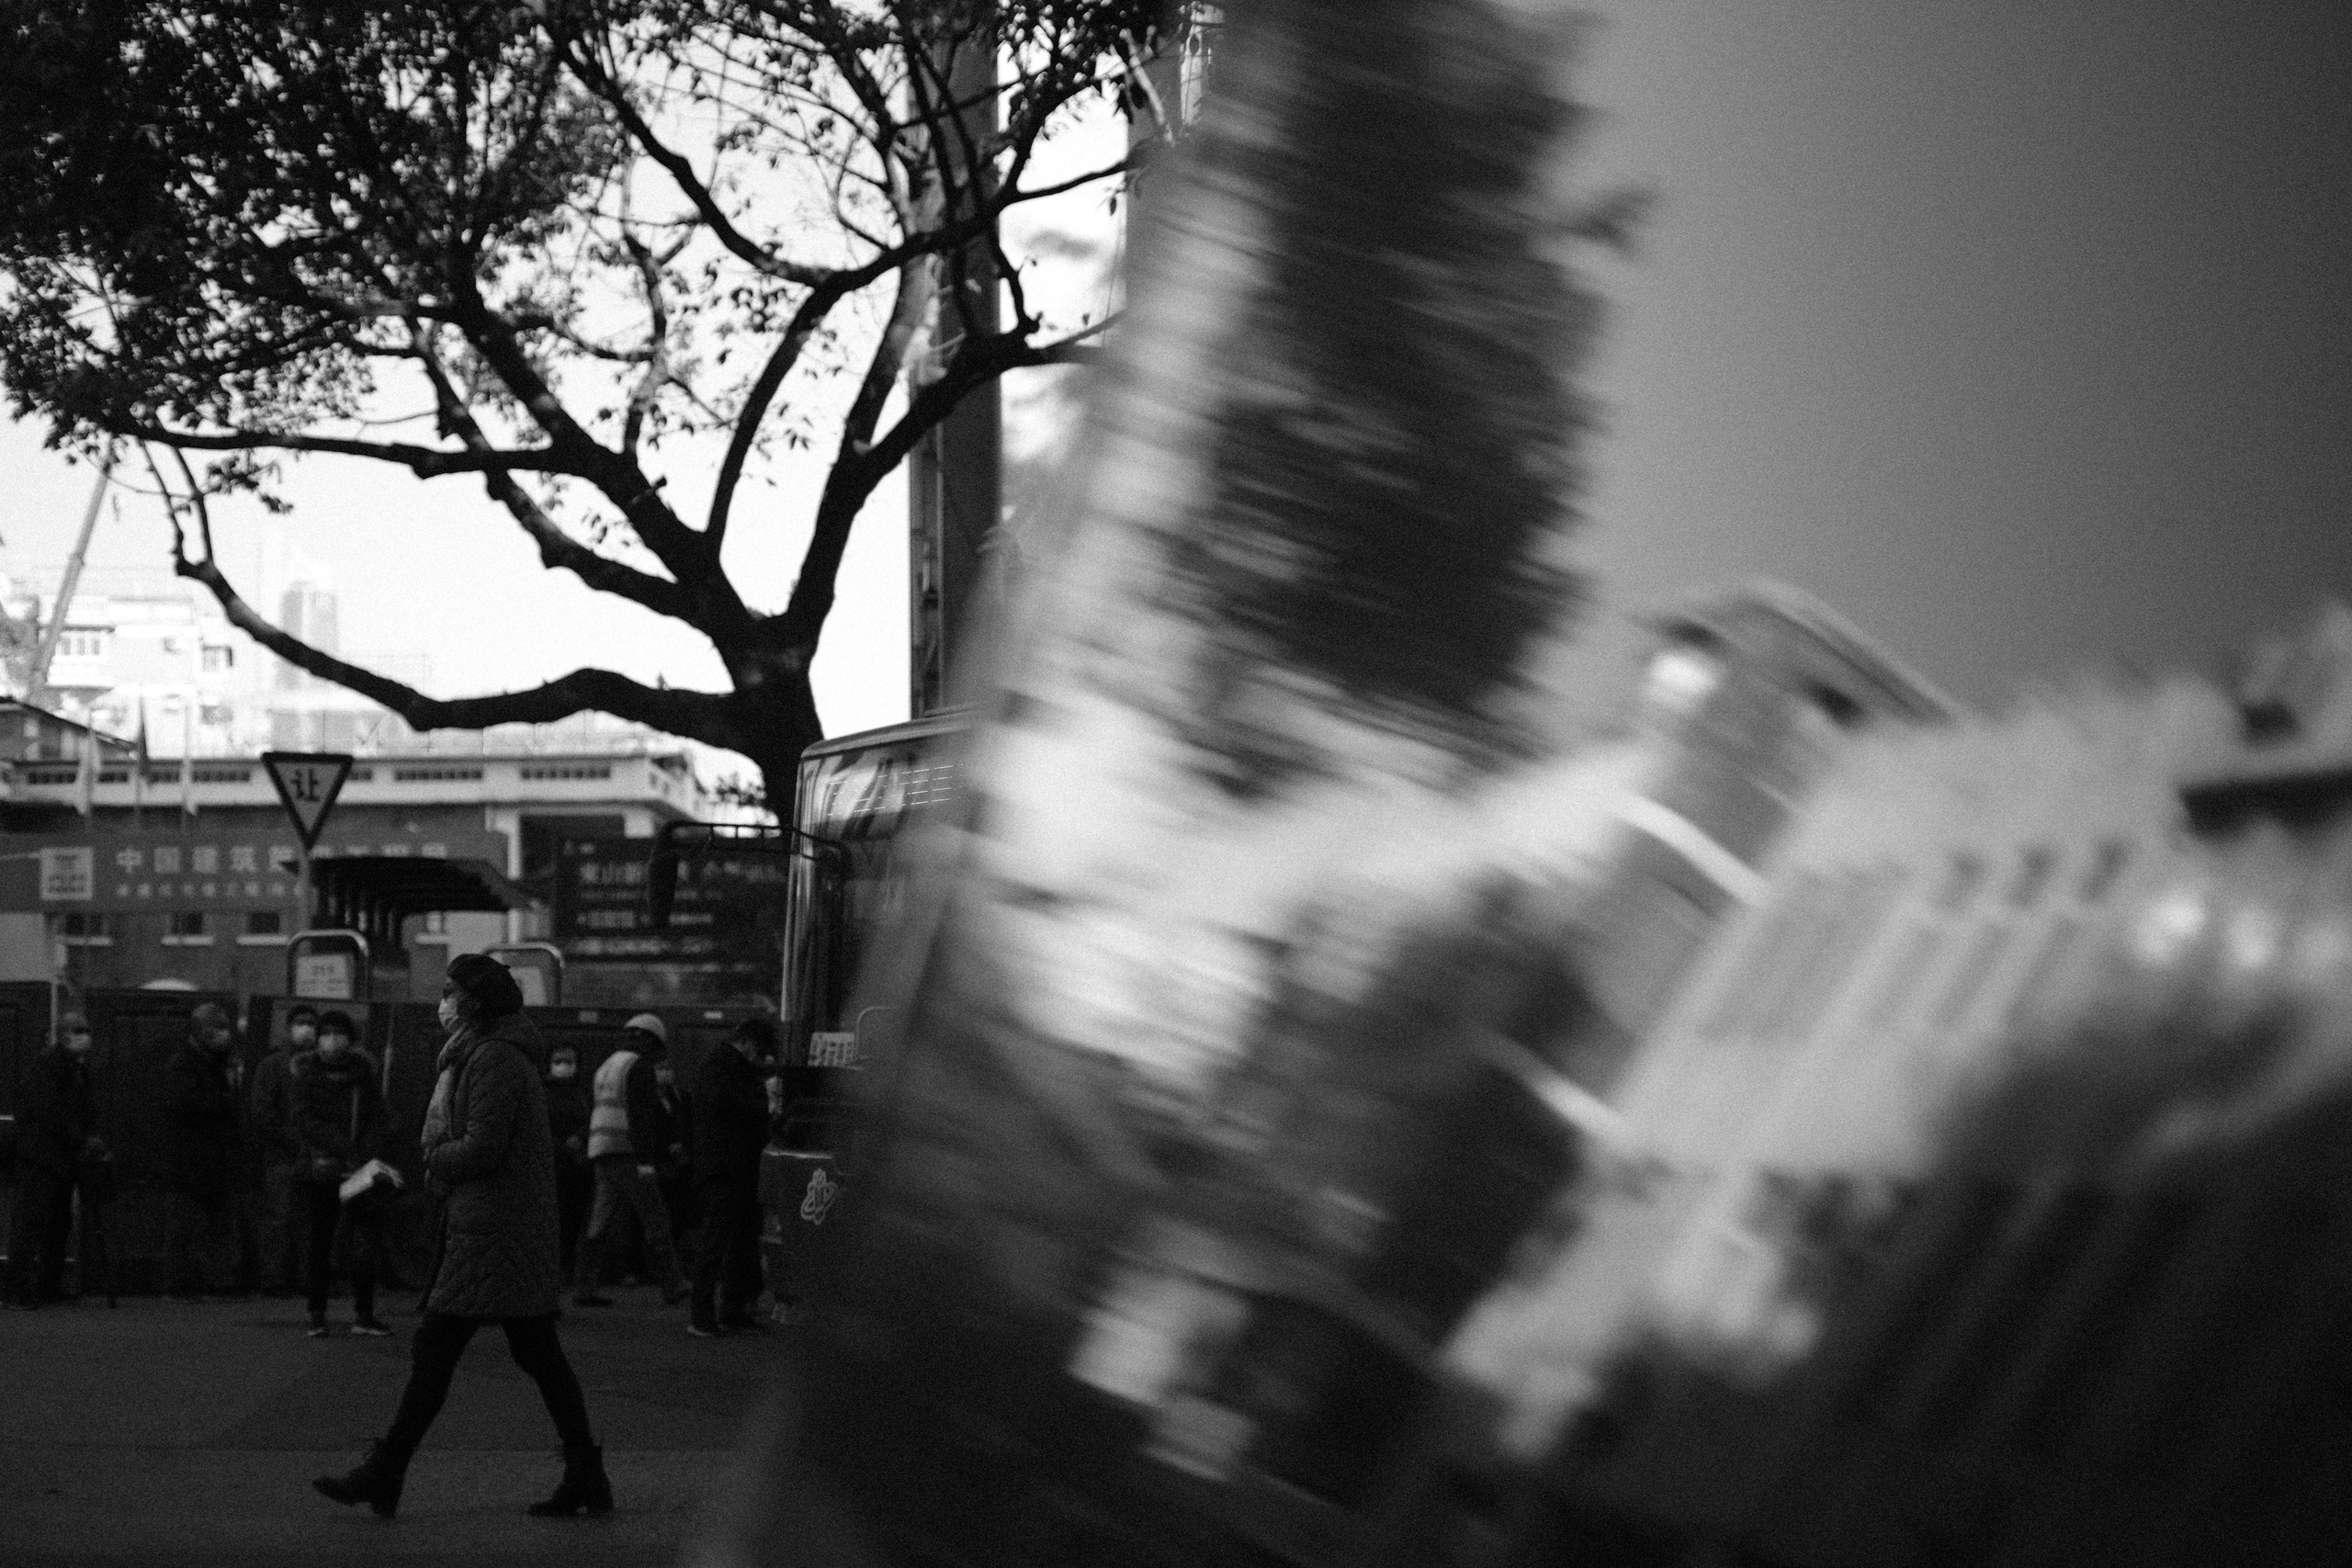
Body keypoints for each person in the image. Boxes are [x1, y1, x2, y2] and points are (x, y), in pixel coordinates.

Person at [315, 953, 610, 1520]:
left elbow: (484, 1146)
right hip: (498, 1225)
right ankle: (585, 1474)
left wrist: (434, 1157)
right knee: (538, 1354)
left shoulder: (494, 1057)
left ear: (475, 1001)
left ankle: (386, 1471)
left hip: (494, 1230)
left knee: (438, 1347)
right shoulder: (486, 1053)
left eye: (451, 990)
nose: (443, 1000)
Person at [571, 1013, 687, 1308]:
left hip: (601, 1151)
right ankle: (674, 1286)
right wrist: (646, 1161)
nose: (657, 1054)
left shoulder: (607, 1066)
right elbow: (641, 1117)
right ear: (648, 1039)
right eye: (657, 1046)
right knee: (655, 1217)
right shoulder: (638, 1067)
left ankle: (583, 1287)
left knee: (598, 1220)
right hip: (628, 1153)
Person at [289, 1010, 392, 1337]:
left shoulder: (363, 1073)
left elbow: (378, 1116)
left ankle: (364, 1313)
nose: (333, 1039)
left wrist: (363, 1148)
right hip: (322, 1168)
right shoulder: (306, 1074)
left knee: (363, 1242)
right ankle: (317, 1313)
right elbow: (303, 1118)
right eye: (326, 1032)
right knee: (320, 1241)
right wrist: (340, 1144)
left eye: (339, 1032)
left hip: (357, 1168)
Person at [686, 1018, 776, 1337]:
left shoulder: (724, 1067)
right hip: (725, 1167)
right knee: (718, 1240)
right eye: (760, 1049)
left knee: (735, 1241)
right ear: (748, 1042)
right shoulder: (722, 1069)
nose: (761, 1057)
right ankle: (703, 1316)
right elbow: (735, 1109)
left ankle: (730, 1311)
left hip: (731, 1166)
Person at [164, 1001, 259, 1301]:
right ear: (200, 1032)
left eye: (224, 1027)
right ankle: (179, 1285)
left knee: (219, 1223)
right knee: (185, 1225)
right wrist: (226, 1098)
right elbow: (186, 1106)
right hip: (189, 1159)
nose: (223, 1034)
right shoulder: (182, 1064)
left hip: (216, 1158)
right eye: (216, 1028)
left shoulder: (220, 1063)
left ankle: (219, 1281)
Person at [4, 1012, 98, 1310]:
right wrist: (79, 1137)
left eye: (85, 1030)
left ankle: (46, 1285)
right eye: (76, 1031)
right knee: (32, 1223)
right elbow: (49, 1110)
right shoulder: (50, 1065)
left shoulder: (74, 1068)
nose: (83, 1036)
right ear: (62, 1034)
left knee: (57, 1224)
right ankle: (19, 1289)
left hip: (58, 1158)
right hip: (41, 1157)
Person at [250, 1004, 317, 1298]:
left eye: (311, 1024)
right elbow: (263, 1114)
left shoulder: (316, 1066)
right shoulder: (272, 1066)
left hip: (307, 1154)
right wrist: (294, 1140)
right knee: (280, 1218)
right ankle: (275, 1279)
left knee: (308, 1220)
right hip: (283, 1155)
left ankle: (305, 1278)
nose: (307, 1029)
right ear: (289, 1028)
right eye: (301, 1023)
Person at [543, 1042, 593, 1280]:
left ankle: (573, 1267)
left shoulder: (582, 1092)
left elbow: (590, 1120)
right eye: (558, 1061)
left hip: (579, 1164)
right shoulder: (542, 1092)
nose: (564, 1066)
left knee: (577, 1218)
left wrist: (580, 1138)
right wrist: (563, 1145)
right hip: (555, 1164)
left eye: (569, 1062)